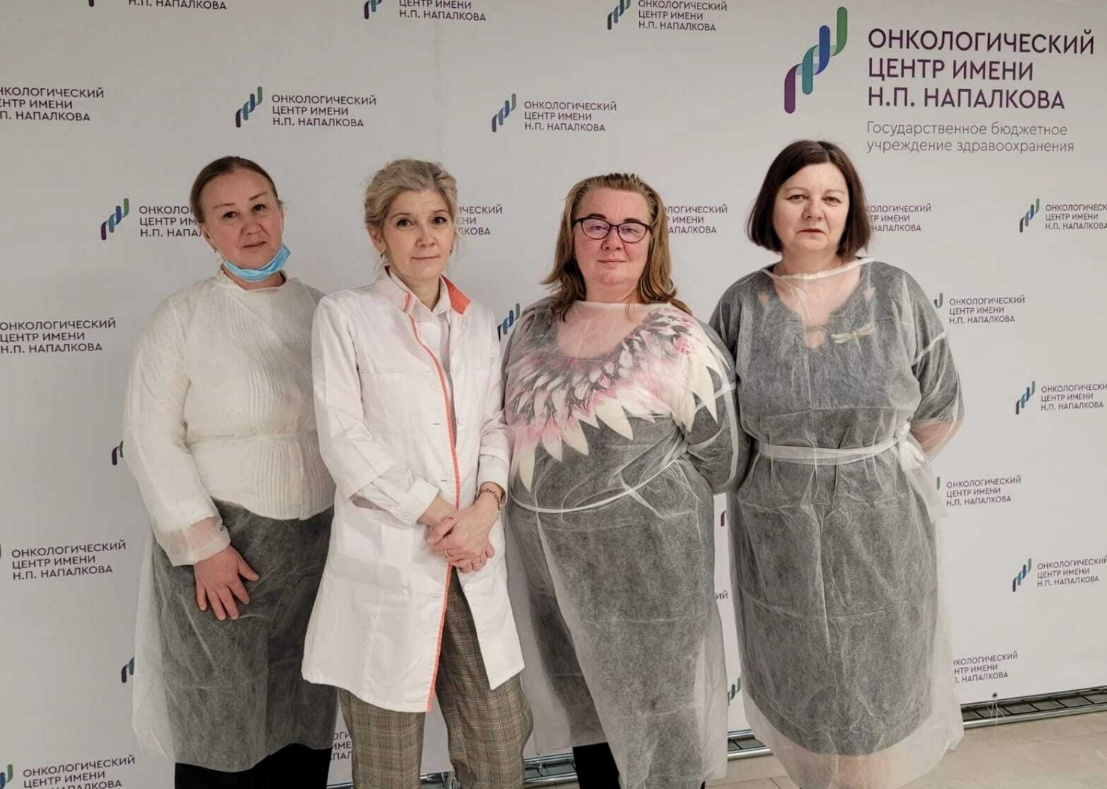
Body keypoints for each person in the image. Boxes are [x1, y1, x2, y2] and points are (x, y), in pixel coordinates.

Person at [710, 140, 964, 789]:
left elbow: (939, 406)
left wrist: (863, 474)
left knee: (875, 688)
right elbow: (722, 431)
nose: (813, 211)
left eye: (831, 197)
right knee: (804, 684)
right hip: (778, 537)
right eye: (796, 195)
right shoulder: (741, 306)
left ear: (851, 209)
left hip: (882, 530)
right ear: (770, 206)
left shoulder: (894, 293)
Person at [502, 173, 742, 789]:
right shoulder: (531, 328)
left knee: (663, 741)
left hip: (653, 585)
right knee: (591, 731)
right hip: (553, 581)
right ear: (572, 235)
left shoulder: (680, 340)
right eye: (596, 224)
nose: (613, 240)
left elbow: (722, 459)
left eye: (631, 227)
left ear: (653, 240)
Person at [302, 159, 532, 789]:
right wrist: (447, 518)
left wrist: (487, 506)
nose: (425, 236)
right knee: (387, 768)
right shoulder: (344, 316)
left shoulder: (478, 320)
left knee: (500, 748)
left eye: (438, 220)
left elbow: (495, 423)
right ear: (377, 235)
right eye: (405, 222)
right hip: (393, 561)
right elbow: (345, 441)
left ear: (455, 229)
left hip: (472, 561)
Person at [123, 156, 337, 788]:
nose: (250, 225)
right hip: (225, 558)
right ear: (205, 230)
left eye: (260, 206)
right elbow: (149, 439)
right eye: (229, 214)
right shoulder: (182, 318)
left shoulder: (324, 313)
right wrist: (205, 547)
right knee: (223, 739)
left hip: (317, 551)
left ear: (281, 212)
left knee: (303, 722)